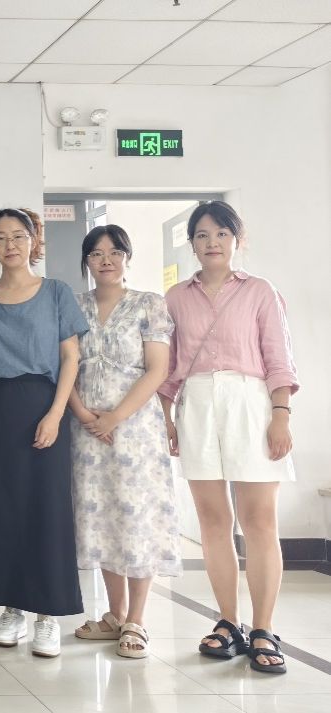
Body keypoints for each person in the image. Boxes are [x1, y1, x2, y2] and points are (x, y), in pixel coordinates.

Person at [158, 201, 297, 675]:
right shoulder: (176, 297)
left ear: (237, 239)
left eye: (221, 233)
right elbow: (169, 367)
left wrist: (280, 415)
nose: (211, 242)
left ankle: (264, 628)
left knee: (259, 521)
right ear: (192, 244)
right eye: (202, 235)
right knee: (213, 521)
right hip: (196, 404)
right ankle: (229, 622)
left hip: (250, 403)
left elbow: (279, 359)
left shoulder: (260, 291)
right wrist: (167, 418)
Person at [0, 208, 87, 659]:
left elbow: (70, 358)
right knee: (0, 509)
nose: (10, 244)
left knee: (45, 509)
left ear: (33, 241)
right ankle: (11, 608)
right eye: (0, 237)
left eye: (18, 236)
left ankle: (47, 615)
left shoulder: (55, 292)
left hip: (42, 406)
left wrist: (56, 414)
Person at [67, 225, 180, 660]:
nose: (106, 260)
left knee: (137, 517)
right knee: (102, 518)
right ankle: (114, 615)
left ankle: (137, 618)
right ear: (87, 261)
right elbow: (64, 365)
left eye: (115, 252)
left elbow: (157, 369)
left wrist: (115, 416)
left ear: (127, 258)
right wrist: (83, 413)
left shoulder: (149, 304)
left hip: (135, 430)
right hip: (87, 430)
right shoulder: (74, 306)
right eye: (96, 254)